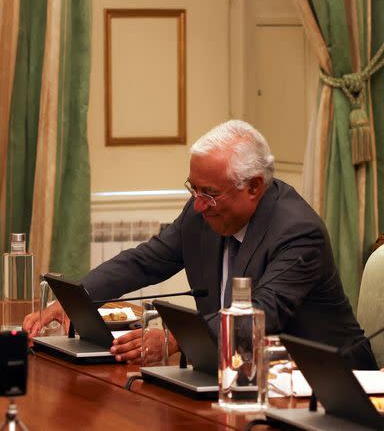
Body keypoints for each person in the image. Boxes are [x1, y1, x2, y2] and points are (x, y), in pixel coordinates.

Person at [24, 120, 377, 369]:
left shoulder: (298, 232)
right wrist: (73, 300)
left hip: (328, 384)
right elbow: (144, 261)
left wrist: (174, 339)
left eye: (209, 193)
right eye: (193, 188)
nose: (197, 204)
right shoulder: (201, 213)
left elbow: (261, 313)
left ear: (254, 186)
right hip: (238, 374)